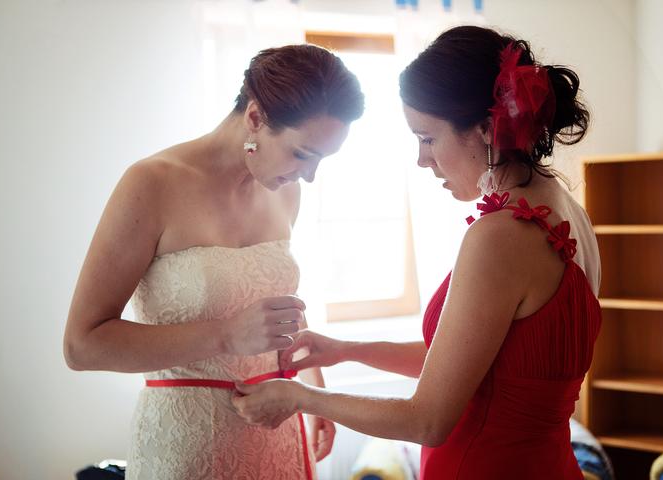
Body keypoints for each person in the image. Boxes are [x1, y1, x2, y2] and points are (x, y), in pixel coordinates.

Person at [232, 25, 602, 479]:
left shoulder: (500, 236)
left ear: (487, 129)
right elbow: (474, 364)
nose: (422, 160)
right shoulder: (567, 211)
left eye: (427, 138)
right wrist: (345, 350)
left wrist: (300, 398)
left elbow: (427, 421)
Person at [63, 44, 364, 480]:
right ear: (256, 118)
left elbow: (279, 308)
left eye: (321, 159)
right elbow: (82, 345)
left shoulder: (285, 190)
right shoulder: (151, 184)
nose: (310, 175)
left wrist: (313, 391)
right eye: (302, 153)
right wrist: (225, 335)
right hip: (187, 446)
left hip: (279, 435)